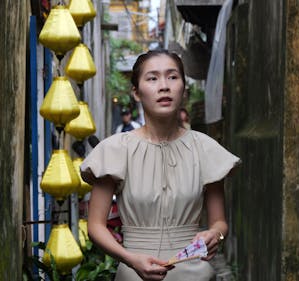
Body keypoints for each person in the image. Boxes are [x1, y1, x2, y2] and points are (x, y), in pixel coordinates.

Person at [81, 49, 241, 281]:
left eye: (172, 77)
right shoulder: (115, 150)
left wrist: (215, 234)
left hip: (194, 272)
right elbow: (95, 226)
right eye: (152, 78)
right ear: (136, 92)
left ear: (183, 88)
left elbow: (220, 222)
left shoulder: (205, 149)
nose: (164, 86)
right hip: (135, 273)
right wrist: (129, 258)